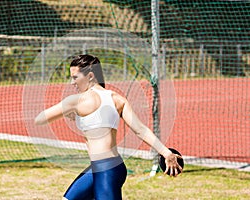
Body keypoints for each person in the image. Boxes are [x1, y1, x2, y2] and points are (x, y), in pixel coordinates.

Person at [34, 54, 183, 200]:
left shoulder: (76, 101)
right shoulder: (117, 99)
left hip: (106, 169)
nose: (72, 83)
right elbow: (141, 130)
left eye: (75, 77)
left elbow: (39, 119)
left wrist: (67, 112)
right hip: (107, 167)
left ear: (90, 76)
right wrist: (165, 152)